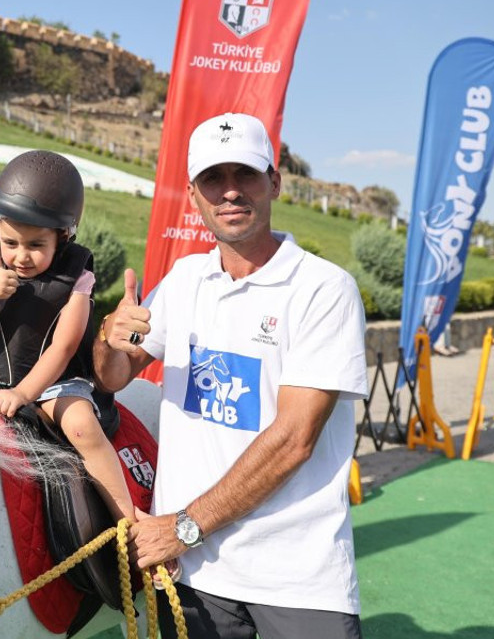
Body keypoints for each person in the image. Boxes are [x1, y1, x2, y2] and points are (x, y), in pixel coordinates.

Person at [94, 113, 368, 639]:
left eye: (245, 174)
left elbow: (293, 441)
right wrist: (109, 339)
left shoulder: (323, 289)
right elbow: (113, 377)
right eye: (213, 179)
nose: (230, 192)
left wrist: (183, 527)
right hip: (194, 571)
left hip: (297, 574)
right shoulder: (185, 278)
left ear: (275, 182)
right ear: (193, 195)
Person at [0, 151, 136, 522]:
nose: (21, 256)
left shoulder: (77, 279)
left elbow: (65, 346)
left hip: (56, 385)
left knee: (82, 428)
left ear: (63, 236)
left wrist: (24, 394)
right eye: (11, 243)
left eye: (35, 245)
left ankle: (127, 521)